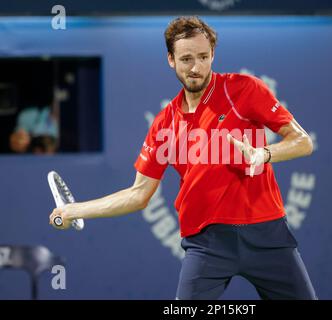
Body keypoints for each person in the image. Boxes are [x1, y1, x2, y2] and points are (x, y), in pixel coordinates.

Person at [50, 16, 317, 300]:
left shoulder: (244, 89)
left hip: (268, 234)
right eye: (187, 58)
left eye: (203, 57)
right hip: (207, 244)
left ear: (213, 54)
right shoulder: (164, 124)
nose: (196, 67)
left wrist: (263, 154)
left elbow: (302, 142)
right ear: (171, 60)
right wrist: (73, 210)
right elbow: (138, 195)